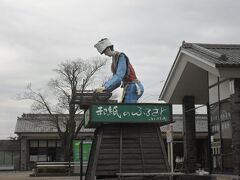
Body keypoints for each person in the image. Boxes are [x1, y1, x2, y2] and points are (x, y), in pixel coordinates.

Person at [94, 38, 144, 103]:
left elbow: (119, 75)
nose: (105, 54)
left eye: (105, 52)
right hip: (128, 87)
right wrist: (105, 90)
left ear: (108, 49)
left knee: (128, 110)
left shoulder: (121, 56)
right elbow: (117, 82)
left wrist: (105, 87)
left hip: (133, 86)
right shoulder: (114, 61)